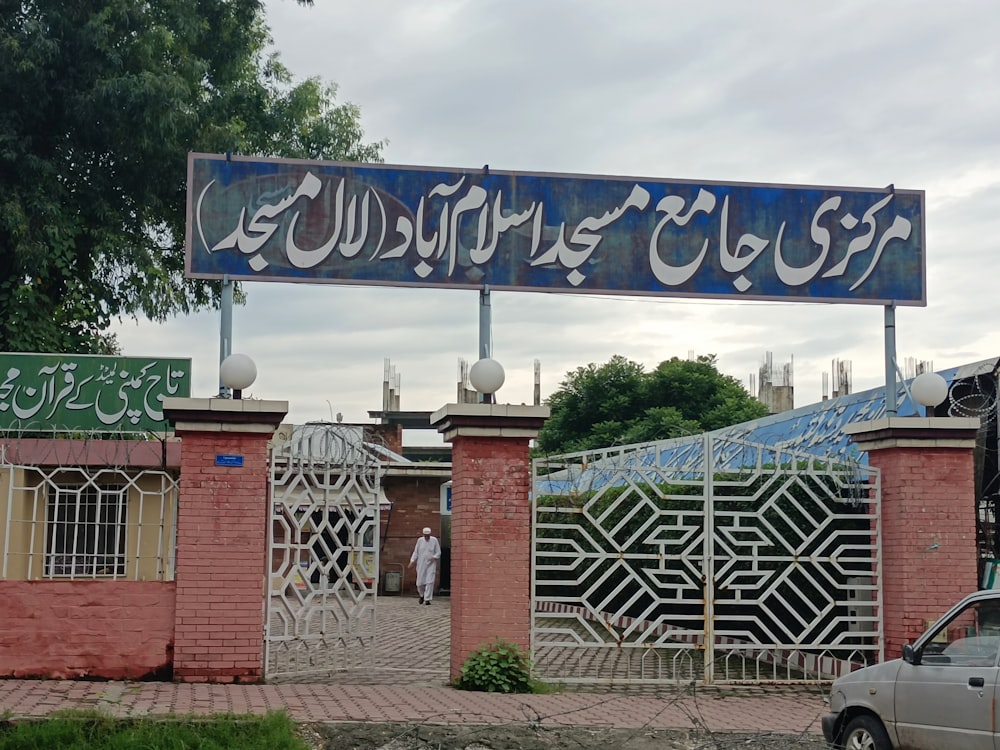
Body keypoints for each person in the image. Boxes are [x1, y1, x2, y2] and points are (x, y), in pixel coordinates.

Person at [408, 526, 441, 605]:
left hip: (431, 564)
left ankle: (427, 599)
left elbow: (438, 552)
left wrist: (434, 557)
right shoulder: (420, 540)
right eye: (425, 535)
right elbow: (416, 552)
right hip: (421, 564)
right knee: (420, 583)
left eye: (428, 535)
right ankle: (422, 595)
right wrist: (412, 561)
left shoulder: (434, 540)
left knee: (430, 581)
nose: (426, 537)